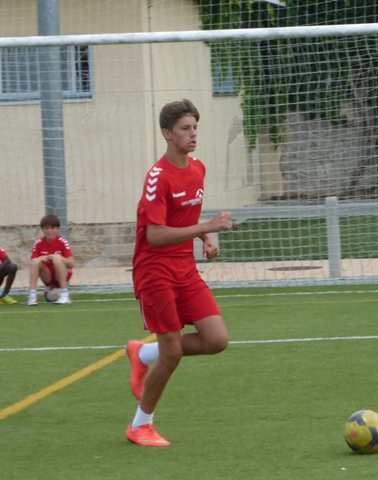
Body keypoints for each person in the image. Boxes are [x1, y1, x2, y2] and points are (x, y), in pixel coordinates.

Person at [125, 99, 232, 447]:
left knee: (216, 340)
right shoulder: (157, 177)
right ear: (167, 133)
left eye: (195, 127)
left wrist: (205, 238)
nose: (193, 134)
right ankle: (140, 425)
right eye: (185, 128)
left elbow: (184, 214)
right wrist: (207, 226)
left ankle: (142, 355)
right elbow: (155, 235)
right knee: (171, 354)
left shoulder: (197, 168)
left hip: (185, 268)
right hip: (154, 270)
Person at [28, 214, 74, 306]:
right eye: (46, 228)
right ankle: (32, 296)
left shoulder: (62, 242)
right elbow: (34, 262)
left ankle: (65, 294)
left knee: (56, 258)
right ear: (42, 229)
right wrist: (41, 258)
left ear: (58, 229)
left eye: (52, 228)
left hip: (62, 274)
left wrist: (57, 257)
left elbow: (71, 264)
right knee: (35, 261)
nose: (49, 231)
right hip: (48, 276)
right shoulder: (38, 243)